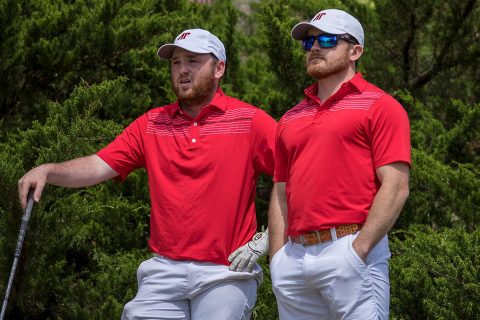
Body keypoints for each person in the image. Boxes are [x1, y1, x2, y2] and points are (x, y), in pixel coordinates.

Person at [18, 28, 277, 320]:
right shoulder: (151, 123)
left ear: (219, 68)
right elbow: (98, 165)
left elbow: (296, 174)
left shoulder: (250, 121)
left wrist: (268, 239)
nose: (182, 70)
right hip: (163, 271)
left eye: (192, 61)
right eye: (176, 62)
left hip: (226, 273)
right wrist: (49, 170)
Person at [268, 9, 411, 319]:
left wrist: (359, 249)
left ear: (355, 51)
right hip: (293, 260)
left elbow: (396, 185)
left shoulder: (382, 106)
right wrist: (278, 257)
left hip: (349, 250)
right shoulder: (291, 117)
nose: (315, 48)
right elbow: (281, 190)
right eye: (309, 43)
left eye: (328, 40)